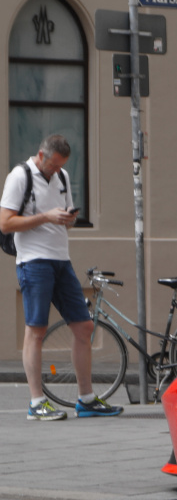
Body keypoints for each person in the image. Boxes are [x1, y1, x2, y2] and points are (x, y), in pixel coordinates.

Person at [0, 134, 123, 420]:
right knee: (36, 330)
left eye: (61, 167)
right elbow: (5, 222)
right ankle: (36, 403)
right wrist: (46, 217)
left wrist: (68, 218)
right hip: (33, 262)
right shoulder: (20, 176)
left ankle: (86, 399)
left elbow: (63, 218)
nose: (56, 171)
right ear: (41, 155)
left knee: (84, 328)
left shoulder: (63, 176)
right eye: (53, 166)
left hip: (61, 261)